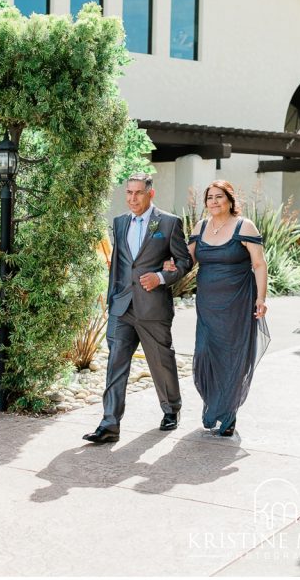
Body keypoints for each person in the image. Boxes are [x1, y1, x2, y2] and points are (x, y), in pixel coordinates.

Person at [83, 173, 193, 444]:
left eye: (138, 193)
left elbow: (184, 262)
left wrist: (161, 277)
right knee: (115, 365)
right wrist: (112, 299)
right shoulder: (120, 223)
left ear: (150, 194)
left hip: (153, 306)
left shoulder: (168, 223)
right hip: (122, 306)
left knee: (160, 361)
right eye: (129, 193)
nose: (133, 198)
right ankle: (109, 424)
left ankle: (171, 408)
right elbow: (120, 265)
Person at [162, 180, 268, 437]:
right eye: (209, 198)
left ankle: (228, 413)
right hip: (207, 304)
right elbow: (188, 260)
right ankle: (215, 402)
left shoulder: (245, 226)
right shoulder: (201, 226)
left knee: (231, 356)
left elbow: (259, 264)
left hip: (237, 303)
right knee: (205, 354)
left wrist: (261, 298)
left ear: (230, 200)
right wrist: (170, 265)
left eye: (219, 197)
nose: (214, 202)